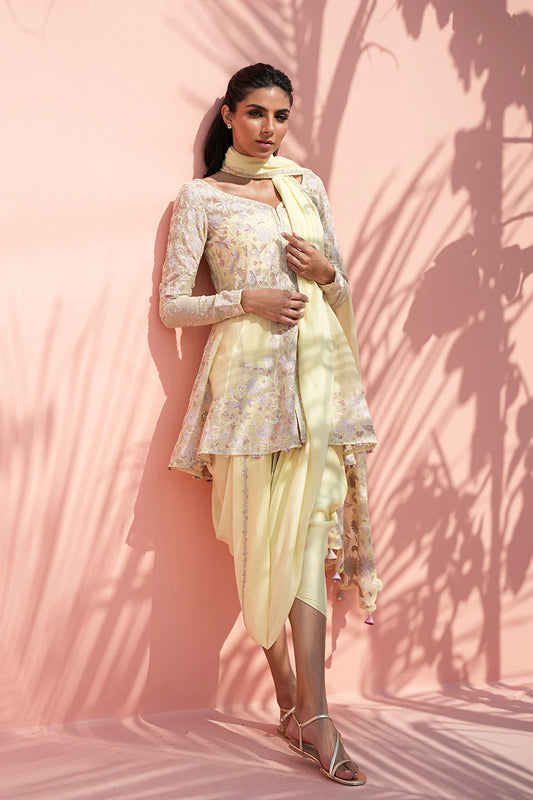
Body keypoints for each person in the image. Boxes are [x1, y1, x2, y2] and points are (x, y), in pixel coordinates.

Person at [159, 63, 381, 787]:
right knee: (257, 543)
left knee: (306, 535)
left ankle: (316, 715)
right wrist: (241, 299)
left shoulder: (305, 187)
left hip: (314, 384)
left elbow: (340, 286)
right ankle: (289, 690)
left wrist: (322, 272)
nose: (268, 129)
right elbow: (171, 305)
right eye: (254, 113)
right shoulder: (201, 198)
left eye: (280, 116)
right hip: (245, 392)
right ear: (228, 114)